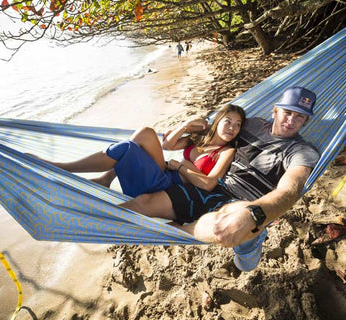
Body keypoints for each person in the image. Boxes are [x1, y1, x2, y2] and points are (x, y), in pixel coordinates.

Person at [121, 86, 320, 271]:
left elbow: (290, 189)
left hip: (242, 202)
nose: (291, 121)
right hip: (210, 189)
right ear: (275, 111)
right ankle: (95, 214)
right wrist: (193, 125)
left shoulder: (302, 151)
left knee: (221, 228)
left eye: (300, 116)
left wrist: (255, 214)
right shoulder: (251, 124)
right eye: (288, 112)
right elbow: (218, 127)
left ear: (306, 121)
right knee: (143, 203)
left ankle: (240, 234)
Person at [33, 104, 246, 198]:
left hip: (170, 185)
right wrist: (185, 124)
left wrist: (181, 166)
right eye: (228, 121)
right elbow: (167, 145)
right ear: (217, 121)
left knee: (133, 143)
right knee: (142, 136)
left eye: (237, 125)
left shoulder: (226, 152)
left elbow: (209, 183)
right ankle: (104, 178)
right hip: (166, 173)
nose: (232, 128)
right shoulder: (199, 138)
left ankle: (65, 168)